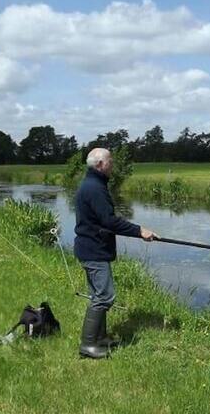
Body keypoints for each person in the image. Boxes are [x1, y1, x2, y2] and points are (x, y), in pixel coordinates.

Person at [74, 147, 157, 359]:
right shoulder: (95, 188)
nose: (113, 164)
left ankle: (100, 338)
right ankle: (88, 345)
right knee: (104, 296)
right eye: (111, 161)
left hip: (90, 248)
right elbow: (109, 221)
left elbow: (104, 220)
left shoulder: (93, 184)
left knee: (97, 295)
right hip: (94, 250)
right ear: (100, 164)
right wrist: (140, 231)